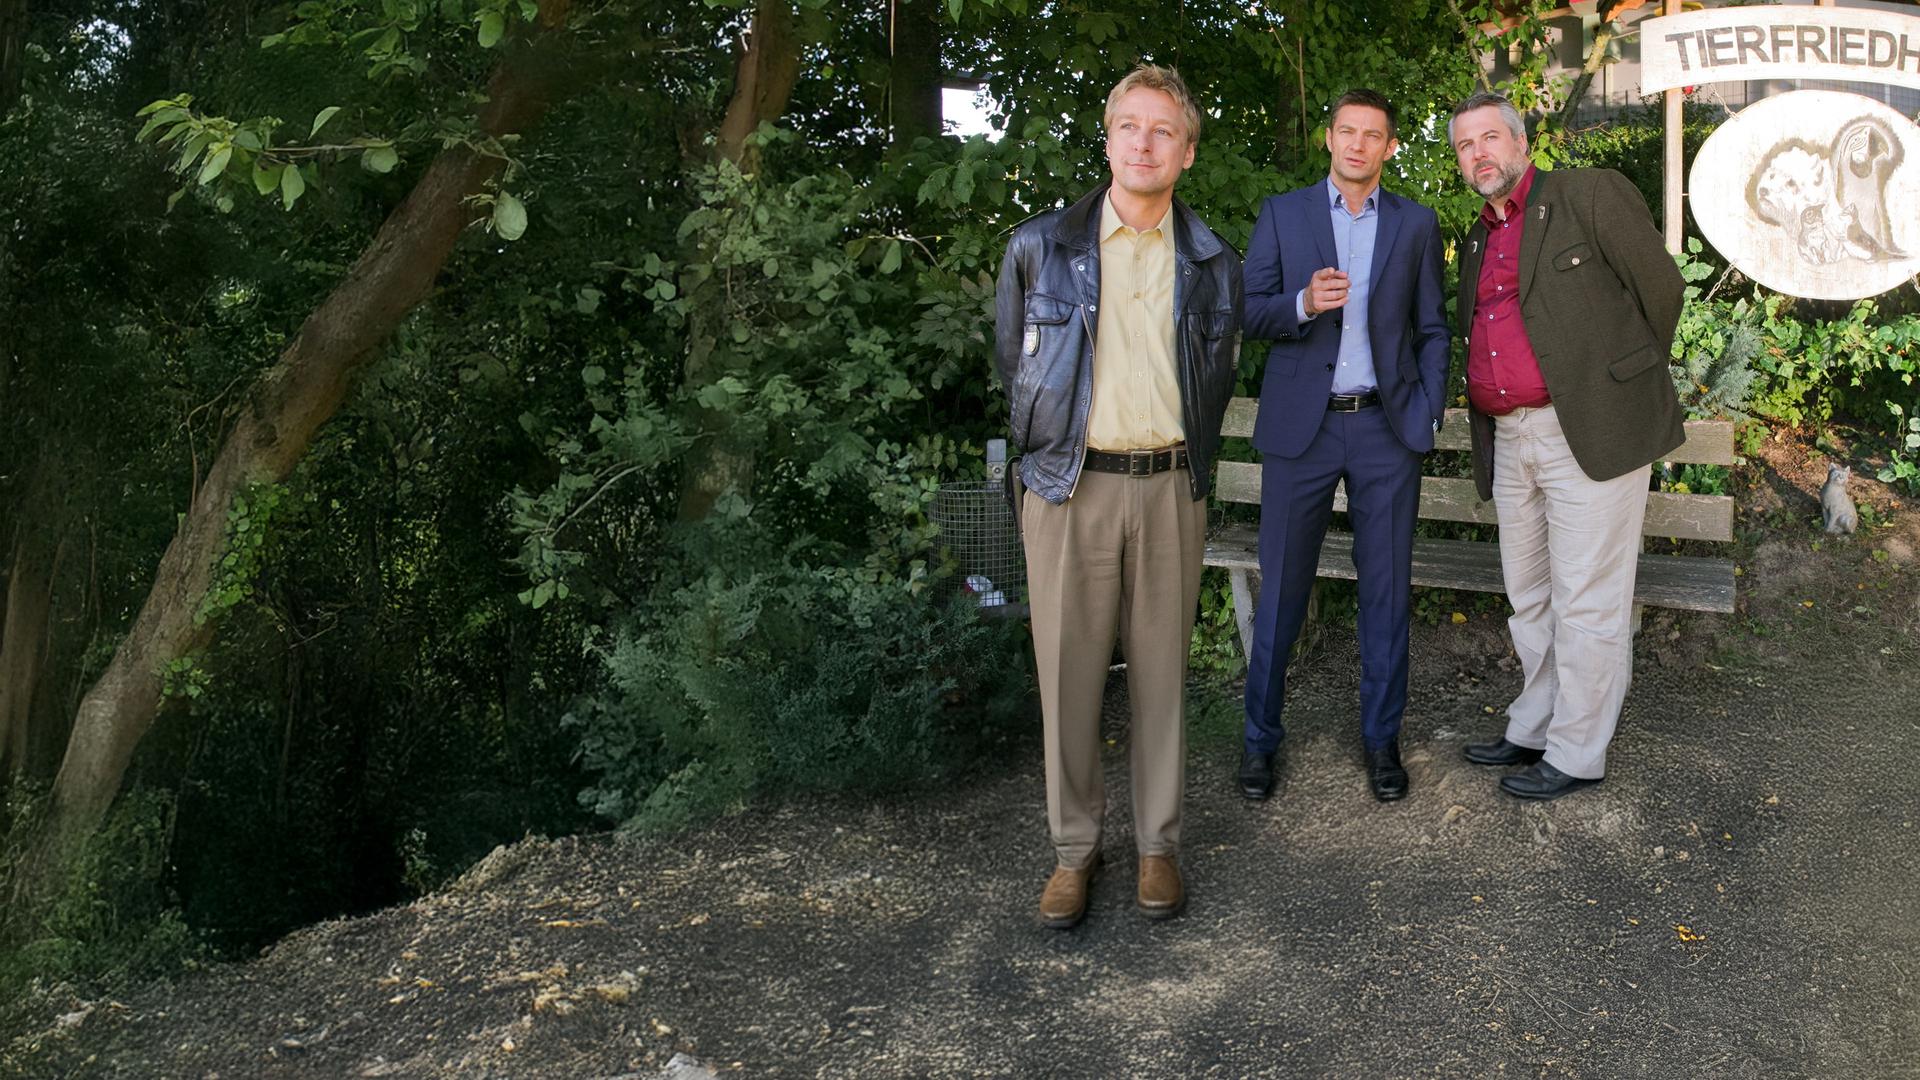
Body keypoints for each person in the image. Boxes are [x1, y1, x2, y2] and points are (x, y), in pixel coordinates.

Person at [994, 64, 1242, 928]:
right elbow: (1017, 372)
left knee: (1162, 678)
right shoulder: (1040, 248)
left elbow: (1218, 372)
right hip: (1069, 490)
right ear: (1107, 140)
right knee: (1066, 674)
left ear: (1187, 151)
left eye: (1162, 129)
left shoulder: (1212, 262)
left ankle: (1157, 846)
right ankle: (1073, 851)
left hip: (1170, 487)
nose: (1144, 142)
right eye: (1128, 126)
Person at [1447, 91, 1687, 800]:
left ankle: (1579, 751)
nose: (1479, 153)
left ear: (1521, 143)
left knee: (1588, 600)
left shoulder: (1588, 195)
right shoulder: (1479, 235)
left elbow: (1660, 291)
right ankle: (1536, 722)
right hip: (1509, 437)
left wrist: (1618, 382)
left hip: (1588, 430)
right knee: (1530, 594)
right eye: (1465, 145)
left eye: (1491, 137)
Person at [1236, 89, 1450, 803]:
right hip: (1304, 429)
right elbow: (1247, 311)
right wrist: (1301, 304)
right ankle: (1260, 740)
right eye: (1347, 131)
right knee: (1283, 591)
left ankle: (1381, 741)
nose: (1359, 144)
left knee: (1386, 593)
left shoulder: (1417, 225)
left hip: (1385, 431)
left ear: (1390, 147)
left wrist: (1426, 411)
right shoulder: (1283, 213)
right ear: (1329, 138)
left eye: (1374, 135)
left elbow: (1432, 329)